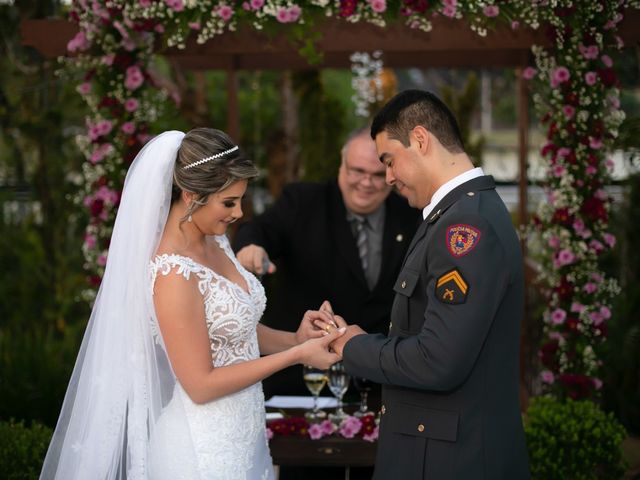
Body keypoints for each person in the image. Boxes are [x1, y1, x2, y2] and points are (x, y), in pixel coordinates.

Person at [40, 128, 345, 480]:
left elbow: (235, 330)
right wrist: (296, 357)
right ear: (191, 195)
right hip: (201, 451)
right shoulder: (173, 274)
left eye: (240, 200)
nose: (238, 213)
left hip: (244, 437)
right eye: (228, 202)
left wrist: (296, 339)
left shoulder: (215, 240)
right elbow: (200, 385)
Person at [317, 90, 531, 479]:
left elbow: (438, 361)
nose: (389, 177)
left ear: (420, 139)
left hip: (450, 460)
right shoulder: (454, 214)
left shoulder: (464, 227)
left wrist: (353, 346)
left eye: (389, 160)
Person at [233, 128, 421, 398]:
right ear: (341, 165)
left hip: (379, 388)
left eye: (378, 174)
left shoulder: (410, 214)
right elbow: (259, 230)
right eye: (357, 171)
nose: (366, 183)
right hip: (303, 384)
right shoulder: (303, 202)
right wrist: (251, 248)